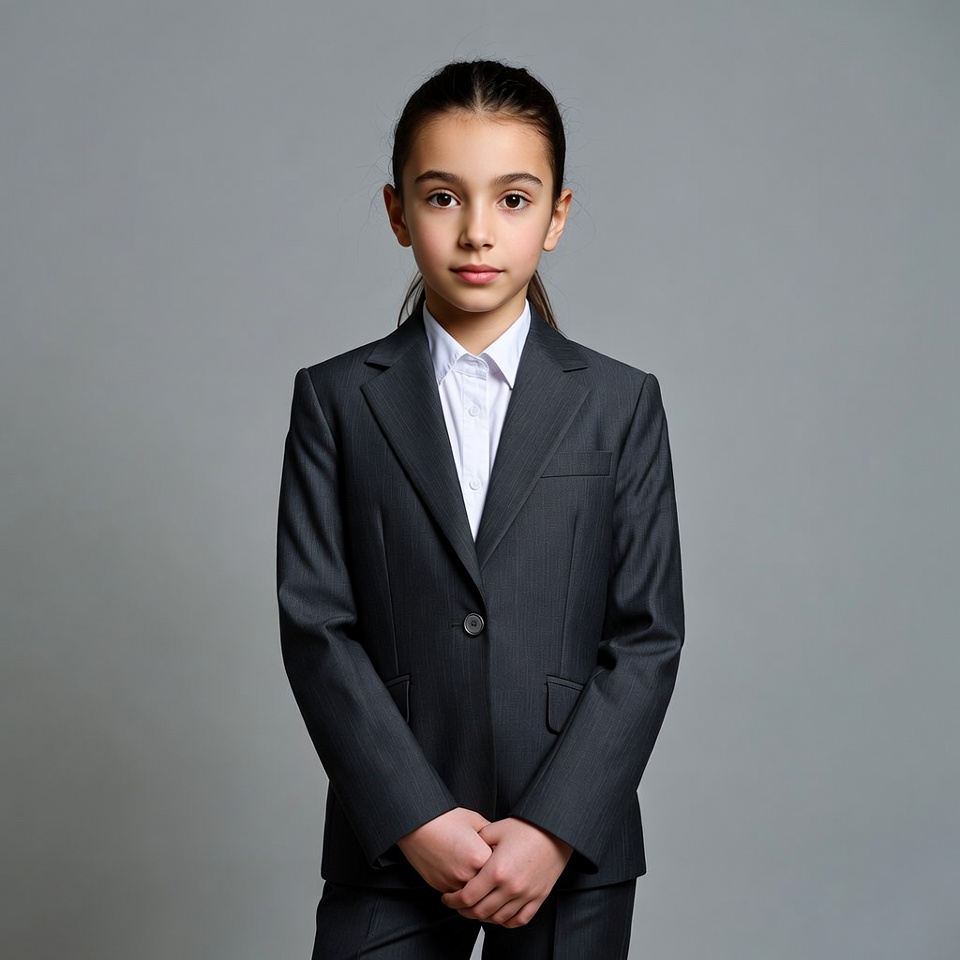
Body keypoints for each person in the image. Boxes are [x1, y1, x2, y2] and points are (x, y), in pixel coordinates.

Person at [277, 59, 684, 960]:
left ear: (557, 216)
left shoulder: (620, 403)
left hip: (568, 846)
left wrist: (555, 827)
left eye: (512, 199)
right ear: (397, 214)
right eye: (441, 197)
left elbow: (648, 636)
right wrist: (414, 816)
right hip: (392, 838)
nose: (476, 231)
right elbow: (316, 626)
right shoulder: (335, 400)